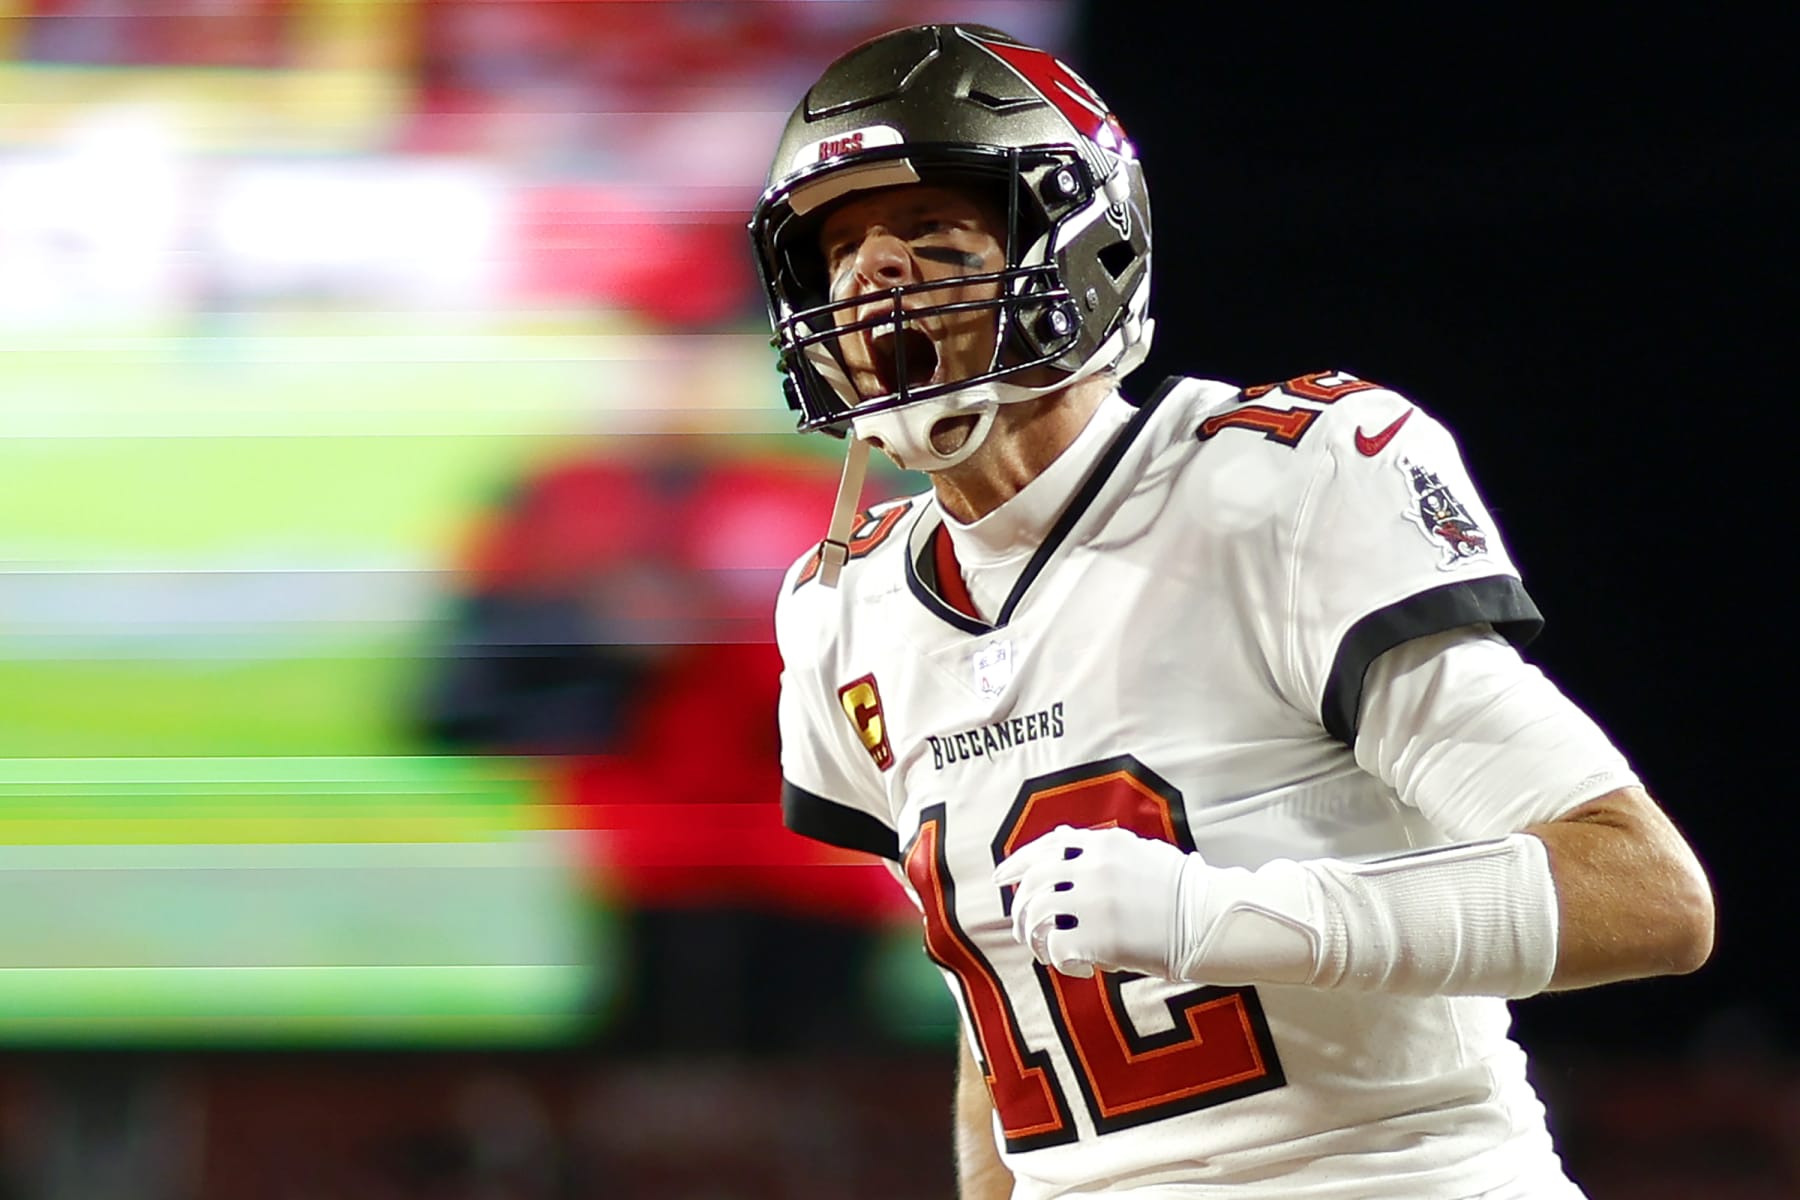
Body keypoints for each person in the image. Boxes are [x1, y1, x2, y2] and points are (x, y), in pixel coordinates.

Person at [748, 23, 1714, 1200]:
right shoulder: (846, 610)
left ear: (1083, 252)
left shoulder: (1275, 486)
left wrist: (1226, 916)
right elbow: (998, 1013)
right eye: (839, 253)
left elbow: (1648, 896)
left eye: (934, 237)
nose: (872, 283)